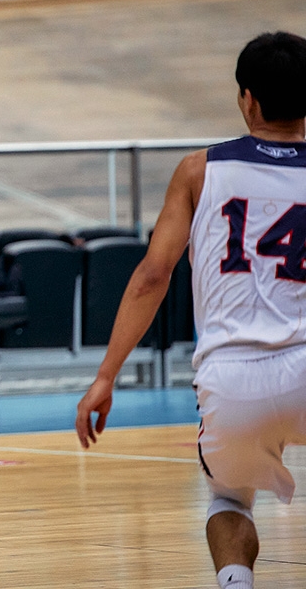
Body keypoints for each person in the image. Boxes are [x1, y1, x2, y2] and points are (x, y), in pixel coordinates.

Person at [76, 31, 306, 589]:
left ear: (246, 99)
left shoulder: (198, 171)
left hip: (232, 377)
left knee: (229, 500)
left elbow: (153, 276)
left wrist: (106, 375)